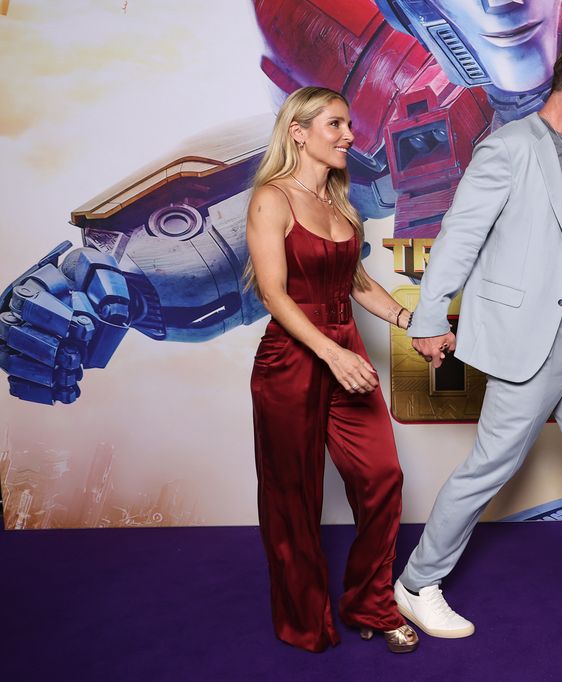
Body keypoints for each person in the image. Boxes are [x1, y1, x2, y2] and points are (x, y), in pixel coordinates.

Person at [392, 39, 562, 639]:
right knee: (491, 467)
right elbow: (459, 235)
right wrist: (428, 316)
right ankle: (416, 584)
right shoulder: (510, 147)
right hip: (531, 342)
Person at [246, 86, 417, 652]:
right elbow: (273, 294)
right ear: (298, 131)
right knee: (292, 498)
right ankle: (304, 622)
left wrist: (408, 322)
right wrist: (332, 351)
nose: (349, 136)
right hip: (294, 357)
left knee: (382, 477)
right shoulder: (271, 198)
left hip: (344, 345)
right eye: (335, 125)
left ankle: (369, 600)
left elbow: (358, 283)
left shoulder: (343, 204)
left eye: (349, 126)